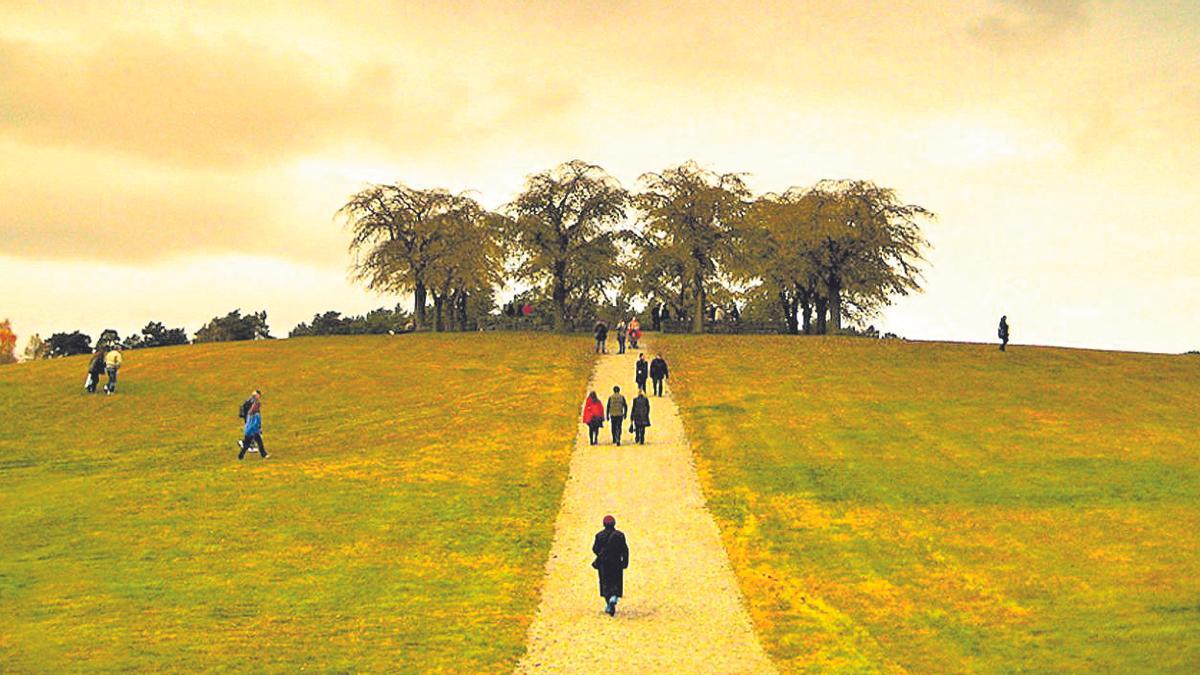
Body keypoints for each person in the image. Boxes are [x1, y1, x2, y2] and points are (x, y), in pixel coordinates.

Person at [592, 515, 629, 616]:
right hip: (616, 563)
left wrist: (601, 555)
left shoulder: (599, 536)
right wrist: (625, 562)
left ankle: (609, 602)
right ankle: (615, 597)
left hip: (604, 564)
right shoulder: (620, 535)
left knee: (605, 583)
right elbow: (625, 550)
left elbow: (595, 549)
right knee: (616, 581)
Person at [237, 390, 269, 460]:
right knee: (256, 442)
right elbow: (255, 423)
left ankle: (241, 456)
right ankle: (264, 454)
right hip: (252, 431)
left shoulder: (253, 412)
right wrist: (258, 430)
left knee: (248, 444)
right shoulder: (254, 414)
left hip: (251, 431)